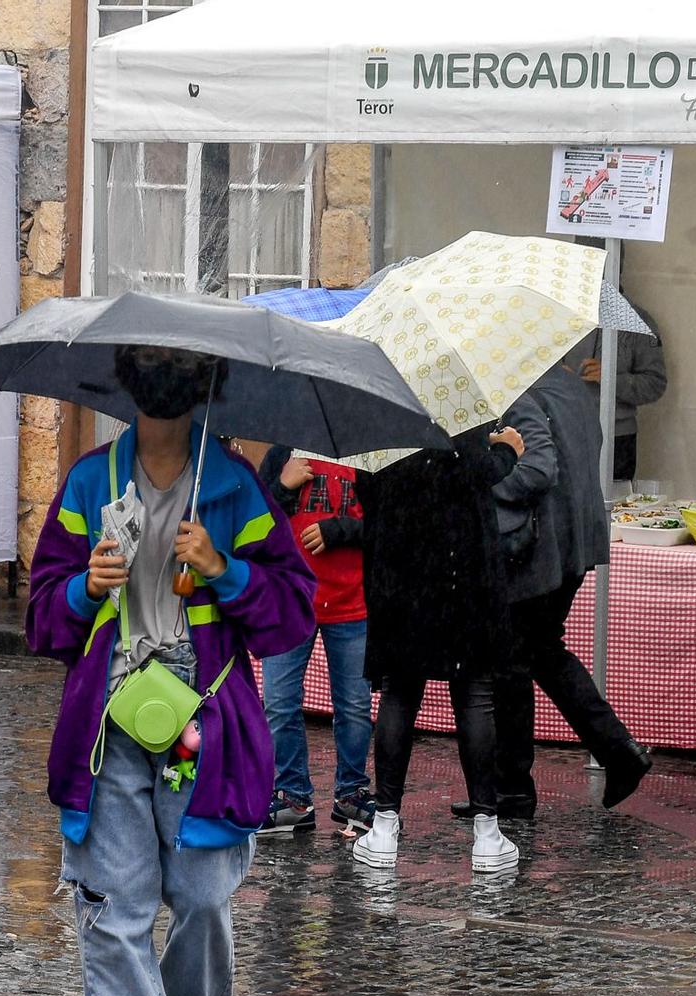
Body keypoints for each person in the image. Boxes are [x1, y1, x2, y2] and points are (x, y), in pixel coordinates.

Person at [27, 345, 313, 996]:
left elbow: (290, 616)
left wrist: (224, 569)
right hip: (109, 731)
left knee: (200, 899)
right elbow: (43, 618)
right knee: (113, 906)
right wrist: (86, 587)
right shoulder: (90, 483)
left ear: (203, 386)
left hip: (203, 732)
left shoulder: (234, 489)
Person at [478, 367, 652, 818]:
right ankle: (618, 751)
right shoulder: (570, 383)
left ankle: (513, 790)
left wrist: (480, 489)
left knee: (513, 664)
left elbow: (536, 468)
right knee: (540, 653)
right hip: (571, 541)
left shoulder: (514, 391)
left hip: (539, 551)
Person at [351, 426, 520, 875]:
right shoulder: (458, 413)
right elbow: (479, 471)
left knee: (399, 695)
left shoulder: (385, 417)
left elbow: (366, 489)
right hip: (462, 575)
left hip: (400, 577)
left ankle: (385, 825)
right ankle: (487, 834)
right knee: (474, 696)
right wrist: (506, 450)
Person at [254, 444, 373, 835]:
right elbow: (254, 523)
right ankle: (292, 797)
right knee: (279, 703)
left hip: (352, 602)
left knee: (354, 706)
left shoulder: (370, 457)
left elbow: (389, 525)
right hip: (288, 601)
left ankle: (351, 795)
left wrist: (339, 530)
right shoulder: (281, 453)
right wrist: (283, 487)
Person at [560, 297, 666, 484]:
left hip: (617, 437)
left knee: (615, 507)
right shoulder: (555, 314)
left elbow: (655, 384)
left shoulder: (636, 320)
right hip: (561, 432)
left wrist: (611, 378)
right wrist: (555, 375)